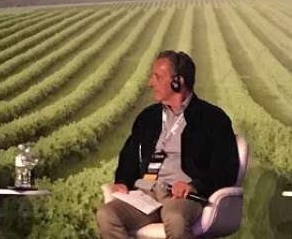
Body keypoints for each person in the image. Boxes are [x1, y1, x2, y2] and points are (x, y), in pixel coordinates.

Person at [97, 50, 239, 239]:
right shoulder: (148, 117)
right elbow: (129, 155)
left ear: (177, 81)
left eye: (157, 77)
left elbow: (226, 168)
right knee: (107, 215)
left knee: (175, 218)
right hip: (146, 194)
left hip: (179, 197)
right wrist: (122, 181)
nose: (150, 83)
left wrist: (194, 185)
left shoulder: (212, 118)